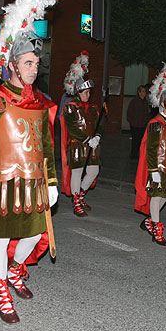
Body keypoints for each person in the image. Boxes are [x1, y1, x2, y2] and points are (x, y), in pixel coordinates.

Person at [0, 0, 62, 324]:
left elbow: (47, 146)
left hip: (34, 181)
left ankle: (13, 269)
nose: (33, 69)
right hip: (2, 181)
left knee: (36, 233)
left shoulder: (40, 102)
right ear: (12, 65)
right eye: (28, 64)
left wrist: (52, 181)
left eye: (36, 64)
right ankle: (1, 288)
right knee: (2, 234)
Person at [134, 55, 166, 246]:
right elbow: (151, 148)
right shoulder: (156, 123)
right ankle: (156, 228)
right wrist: (153, 171)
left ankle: (149, 221)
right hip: (159, 167)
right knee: (157, 196)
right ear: (163, 103)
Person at [59, 51, 103, 217]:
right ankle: (76, 201)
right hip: (78, 145)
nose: (88, 95)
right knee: (76, 173)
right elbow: (71, 127)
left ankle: (81, 195)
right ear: (78, 92)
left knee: (93, 171)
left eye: (89, 92)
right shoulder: (70, 107)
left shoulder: (93, 107)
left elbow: (100, 124)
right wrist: (87, 139)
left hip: (93, 144)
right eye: (85, 92)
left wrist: (97, 136)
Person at [126, 84, 151, 159]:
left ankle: (137, 153)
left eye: (145, 91)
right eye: (143, 91)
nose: (144, 93)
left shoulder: (145, 102)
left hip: (142, 124)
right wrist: (132, 121)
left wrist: (146, 121)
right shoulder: (134, 101)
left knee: (140, 140)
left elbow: (147, 113)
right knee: (135, 140)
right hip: (135, 124)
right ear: (139, 92)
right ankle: (133, 154)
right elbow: (129, 112)